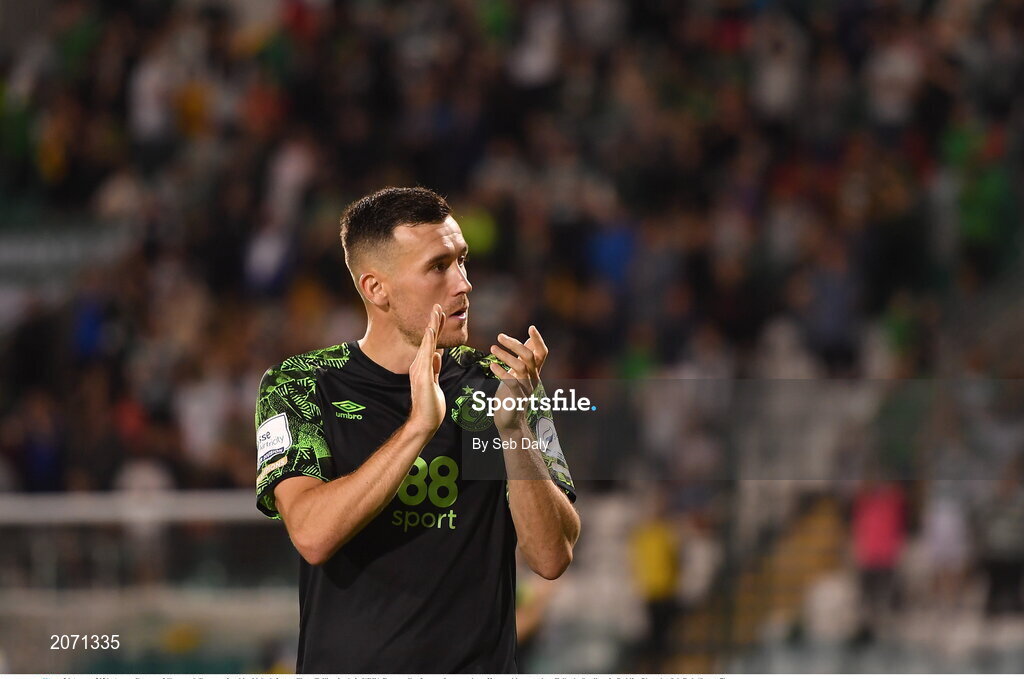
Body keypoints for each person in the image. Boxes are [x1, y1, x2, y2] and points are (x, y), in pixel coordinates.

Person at [253, 187, 580, 672]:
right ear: (375, 288)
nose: (464, 283)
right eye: (438, 267)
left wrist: (514, 431)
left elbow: (552, 557)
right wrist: (418, 428)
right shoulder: (300, 384)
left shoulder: (500, 383)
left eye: (462, 261)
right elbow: (312, 534)